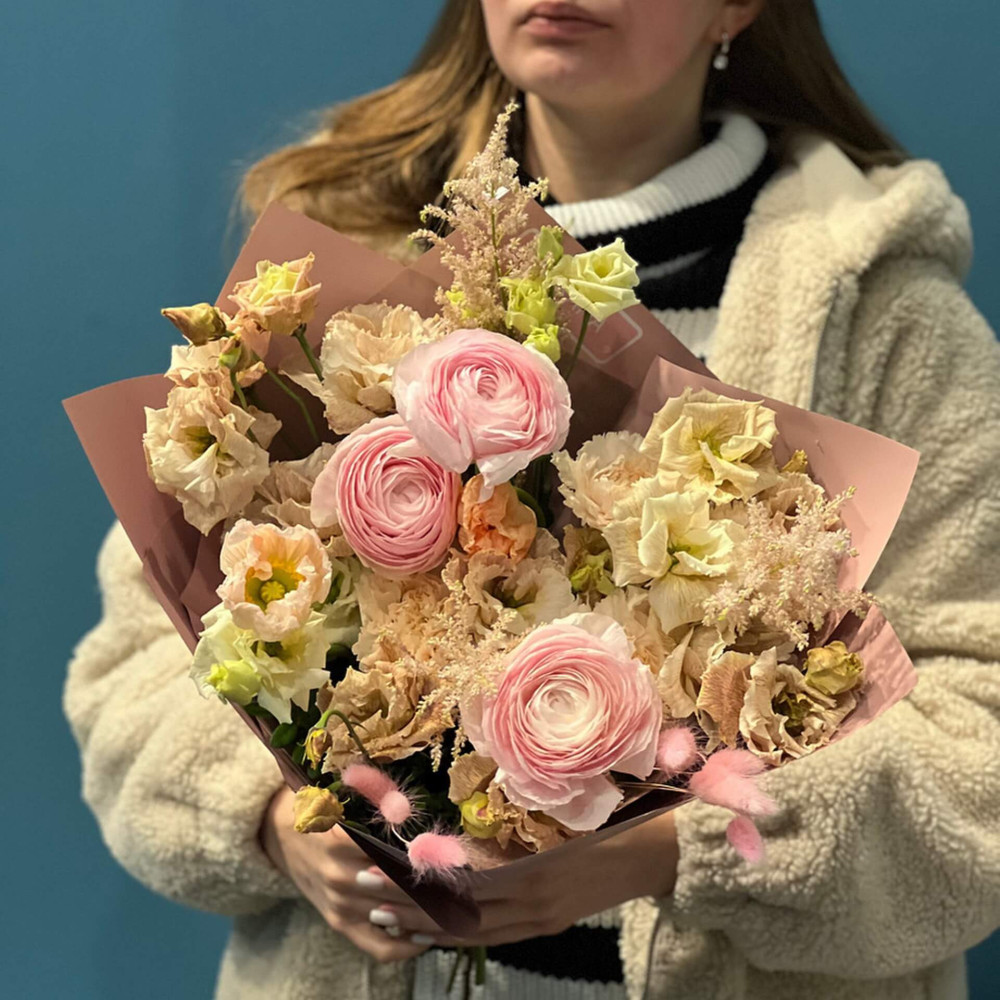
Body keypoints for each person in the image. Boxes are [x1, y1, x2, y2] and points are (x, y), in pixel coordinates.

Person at [66, 1, 1000, 998]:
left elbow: (977, 761)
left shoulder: (886, 321)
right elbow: (133, 670)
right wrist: (274, 822)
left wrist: (671, 850)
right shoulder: (331, 290)